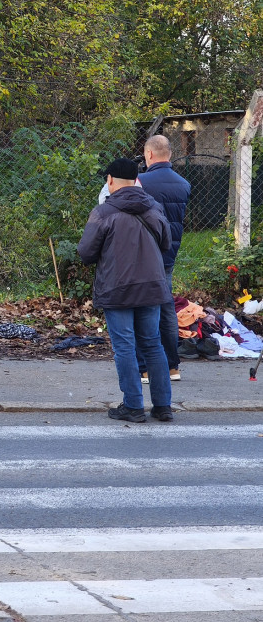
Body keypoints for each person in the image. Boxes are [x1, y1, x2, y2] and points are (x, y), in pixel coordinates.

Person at [78, 157, 174, 423]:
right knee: (153, 344)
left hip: (117, 288)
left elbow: (85, 252)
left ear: (109, 180)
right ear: (136, 180)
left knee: (125, 347)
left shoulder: (103, 213)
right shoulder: (153, 208)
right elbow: (166, 243)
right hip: (152, 286)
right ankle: (163, 406)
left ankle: (133, 406)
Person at [136, 134, 191, 384]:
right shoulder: (183, 184)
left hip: (144, 254)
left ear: (149, 154)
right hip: (168, 255)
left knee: (142, 307)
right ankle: (172, 366)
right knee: (167, 306)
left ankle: (146, 368)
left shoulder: (141, 181)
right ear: (169, 154)